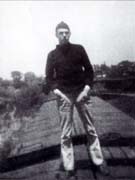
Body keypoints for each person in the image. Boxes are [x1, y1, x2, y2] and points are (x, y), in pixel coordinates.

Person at [45, 21, 109, 178]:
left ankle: (99, 162)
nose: (64, 35)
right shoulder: (52, 55)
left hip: (82, 94)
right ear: (56, 35)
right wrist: (60, 94)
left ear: (70, 33)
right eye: (61, 32)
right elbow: (49, 79)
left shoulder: (79, 49)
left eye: (66, 32)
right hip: (64, 97)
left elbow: (89, 71)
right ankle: (69, 167)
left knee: (90, 129)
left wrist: (86, 89)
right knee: (66, 134)